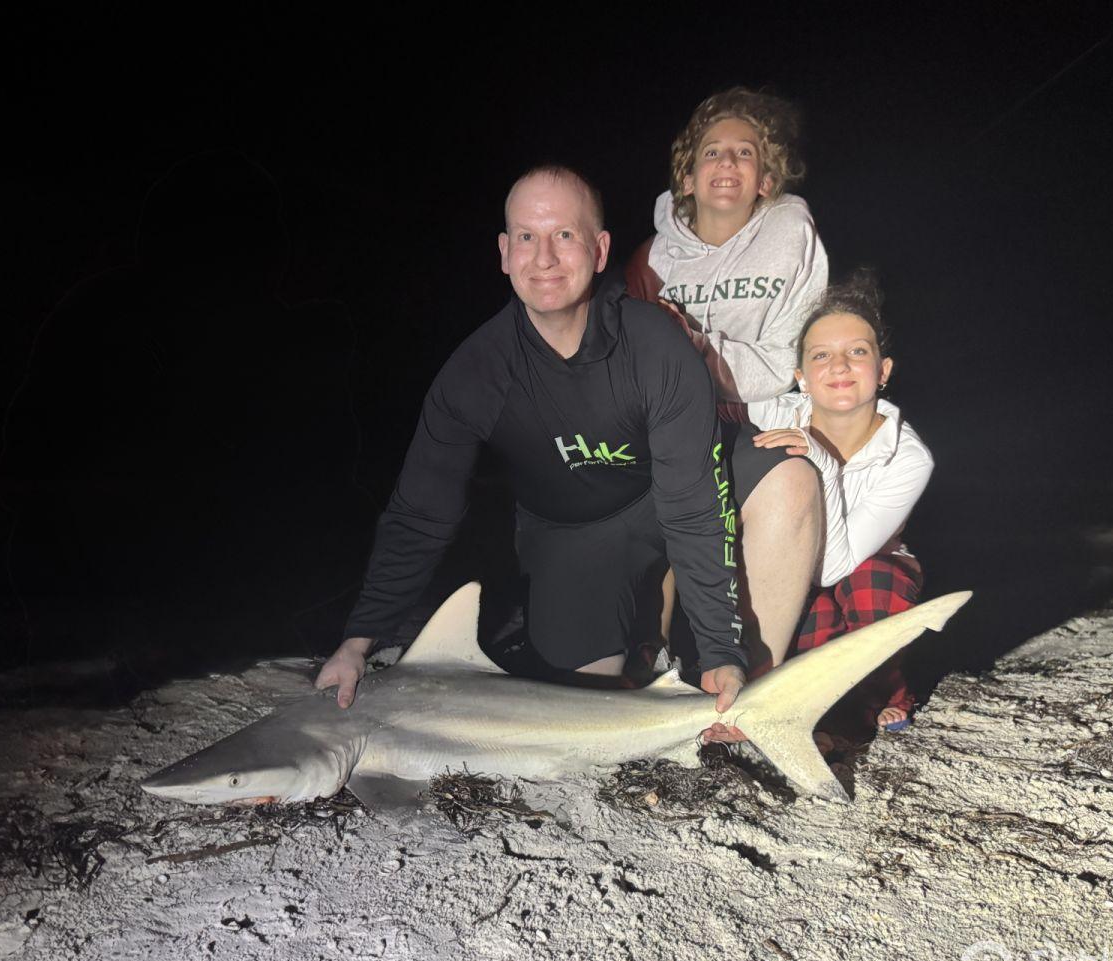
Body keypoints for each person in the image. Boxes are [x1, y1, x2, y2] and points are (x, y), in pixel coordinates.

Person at [316, 166, 746, 715]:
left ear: (599, 250)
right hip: (576, 535)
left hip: (668, 498)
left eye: (564, 235)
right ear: (503, 252)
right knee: (579, 705)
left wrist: (720, 650)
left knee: (778, 472)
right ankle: (645, 619)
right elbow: (421, 514)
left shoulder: (656, 345)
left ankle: (752, 680)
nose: (543, 258)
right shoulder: (476, 374)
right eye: (526, 237)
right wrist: (358, 641)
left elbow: (693, 508)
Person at [626, 87, 829, 676]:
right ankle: (649, 658)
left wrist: (696, 353)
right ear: (686, 177)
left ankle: (758, 676)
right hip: (667, 428)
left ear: (766, 179)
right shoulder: (650, 261)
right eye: (713, 153)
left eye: (745, 154)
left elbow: (792, 355)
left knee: (793, 482)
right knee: (647, 479)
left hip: (752, 417)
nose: (728, 164)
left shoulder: (793, 237)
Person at [748, 274, 933, 733]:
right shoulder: (767, 413)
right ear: (801, 378)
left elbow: (834, 566)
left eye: (857, 352)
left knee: (873, 589)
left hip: (866, 561)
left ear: (883, 371)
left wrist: (821, 463)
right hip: (788, 558)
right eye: (821, 355)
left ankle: (886, 690)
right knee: (813, 641)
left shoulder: (909, 457)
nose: (839, 366)